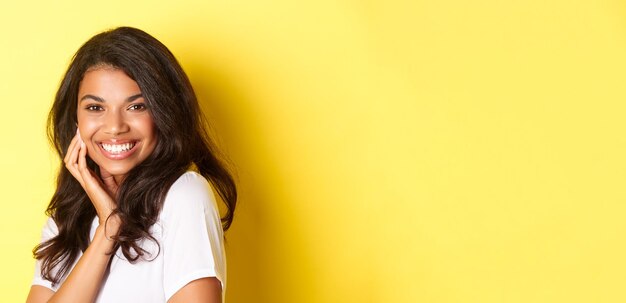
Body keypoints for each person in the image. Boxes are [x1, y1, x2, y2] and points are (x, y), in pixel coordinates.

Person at [25, 26, 237, 303]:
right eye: (95, 108)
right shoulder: (66, 219)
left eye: (137, 106)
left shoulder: (183, 196)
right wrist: (108, 230)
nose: (114, 127)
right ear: (75, 119)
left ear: (164, 113)